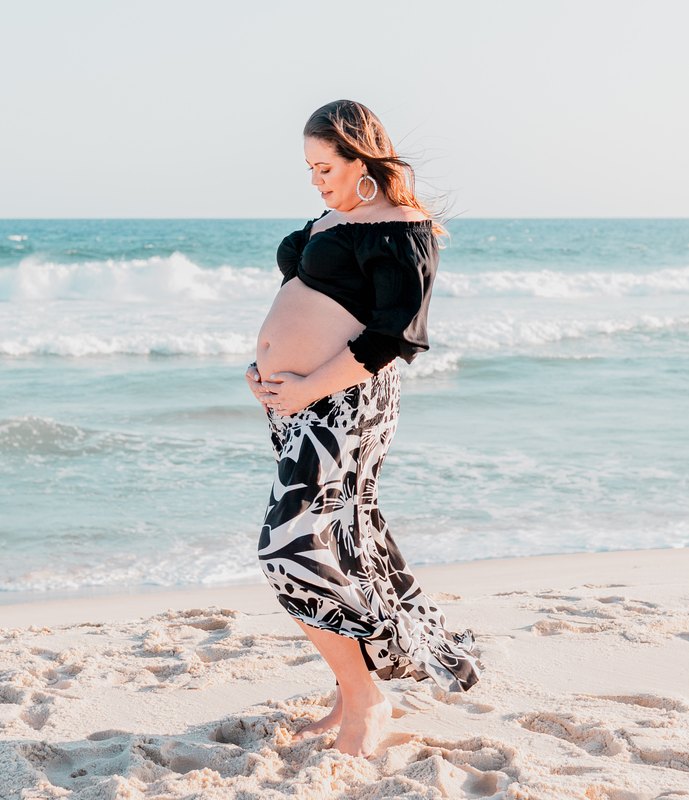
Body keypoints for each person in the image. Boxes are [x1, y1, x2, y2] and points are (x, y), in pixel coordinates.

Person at [246, 100, 482, 757]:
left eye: (325, 166)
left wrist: (302, 385)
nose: (316, 180)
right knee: (341, 543)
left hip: (346, 405)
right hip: (301, 406)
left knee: (288, 546)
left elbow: (392, 338)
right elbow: (312, 307)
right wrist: (264, 372)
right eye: (309, 169)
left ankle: (370, 701)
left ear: (362, 160)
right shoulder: (333, 218)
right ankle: (350, 696)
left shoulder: (400, 227)